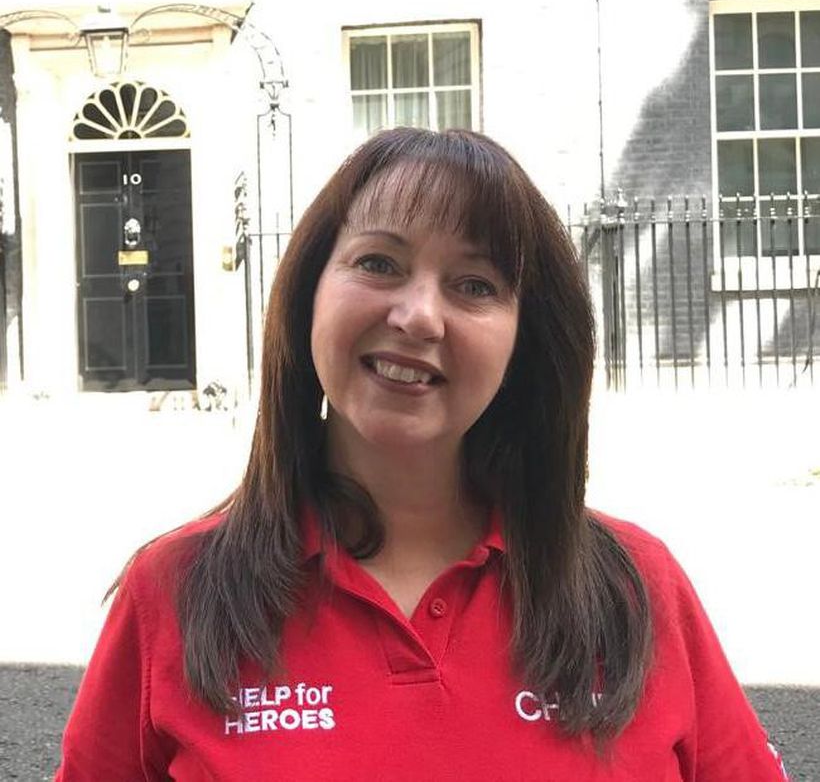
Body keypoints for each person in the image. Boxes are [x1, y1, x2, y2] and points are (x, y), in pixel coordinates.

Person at [55, 128, 789, 781]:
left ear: (525, 341)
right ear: (309, 294)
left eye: (475, 285)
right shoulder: (174, 594)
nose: (417, 316)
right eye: (379, 262)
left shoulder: (638, 590)